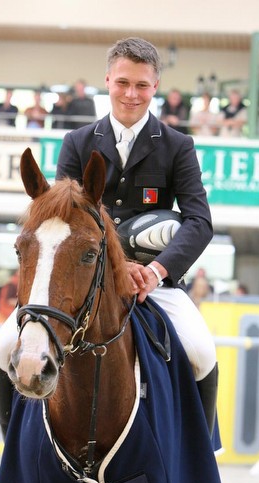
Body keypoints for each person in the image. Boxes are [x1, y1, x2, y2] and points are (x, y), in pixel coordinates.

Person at [55, 37, 218, 436]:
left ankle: (197, 454)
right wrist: (116, 267)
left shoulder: (179, 146)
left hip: (154, 282)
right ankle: (15, 451)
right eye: (123, 83)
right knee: (8, 345)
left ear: (155, 87)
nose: (131, 94)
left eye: (142, 85)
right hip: (88, 281)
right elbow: (65, 221)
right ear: (108, 80)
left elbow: (199, 221)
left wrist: (157, 271)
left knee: (201, 352)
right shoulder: (77, 143)